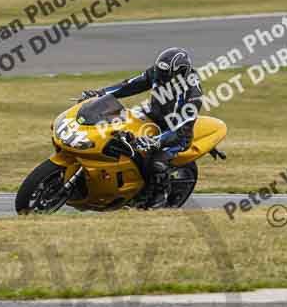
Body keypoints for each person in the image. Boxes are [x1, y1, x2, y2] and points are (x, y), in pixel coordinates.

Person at [78, 47, 203, 208]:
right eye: (160, 73)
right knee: (118, 133)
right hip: (153, 117)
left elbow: (181, 126)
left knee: (157, 162)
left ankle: (159, 199)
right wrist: (100, 93)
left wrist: (157, 140)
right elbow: (130, 85)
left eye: (166, 75)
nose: (161, 77)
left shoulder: (192, 95)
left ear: (180, 73)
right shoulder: (158, 73)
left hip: (176, 133)